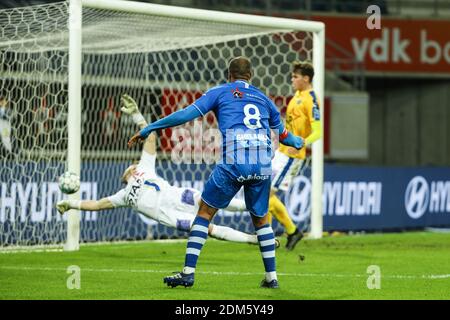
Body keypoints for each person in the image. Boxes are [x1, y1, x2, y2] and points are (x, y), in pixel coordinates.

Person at [128, 57, 304, 289]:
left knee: (204, 212)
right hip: (263, 162)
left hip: (236, 159)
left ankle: (188, 274)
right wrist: (299, 141)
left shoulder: (220, 91)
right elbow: (286, 138)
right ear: (250, 76)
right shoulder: (265, 99)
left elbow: (185, 115)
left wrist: (150, 127)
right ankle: (272, 278)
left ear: (229, 75)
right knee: (261, 219)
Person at [56, 94, 264, 246]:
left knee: (215, 202)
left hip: (179, 197)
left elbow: (151, 136)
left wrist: (137, 115)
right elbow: (96, 204)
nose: (131, 166)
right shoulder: (124, 194)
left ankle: (255, 207)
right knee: (209, 230)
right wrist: (71, 203)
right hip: (170, 215)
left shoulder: (144, 168)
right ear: (126, 176)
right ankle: (252, 239)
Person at [269, 61, 322, 250]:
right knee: (263, 191)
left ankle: (267, 236)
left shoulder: (311, 99)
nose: (292, 79)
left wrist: (301, 143)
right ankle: (291, 232)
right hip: (281, 152)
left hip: (292, 155)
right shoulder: (297, 96)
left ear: (306, 78)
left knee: (267, 194)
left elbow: (318, 131)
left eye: (295, 77)